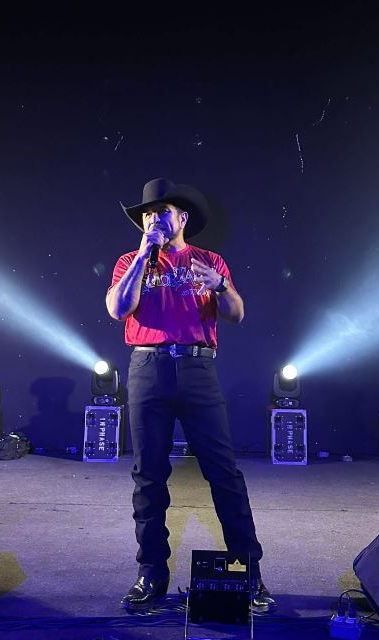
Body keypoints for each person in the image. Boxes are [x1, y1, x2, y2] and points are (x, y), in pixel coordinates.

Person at [106, 178, 275, 611]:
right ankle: (151, 573)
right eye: (147, 214)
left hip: (198, 368)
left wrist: (221, 286)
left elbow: (237, 314)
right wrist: (144, 254)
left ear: (182, 218)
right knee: (148, 475)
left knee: (223, 473)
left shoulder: (209, 261)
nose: (152, 220)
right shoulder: (129, 260)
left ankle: (249, 574)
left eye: (161, 212)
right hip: (148, 368)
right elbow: (118, 309)